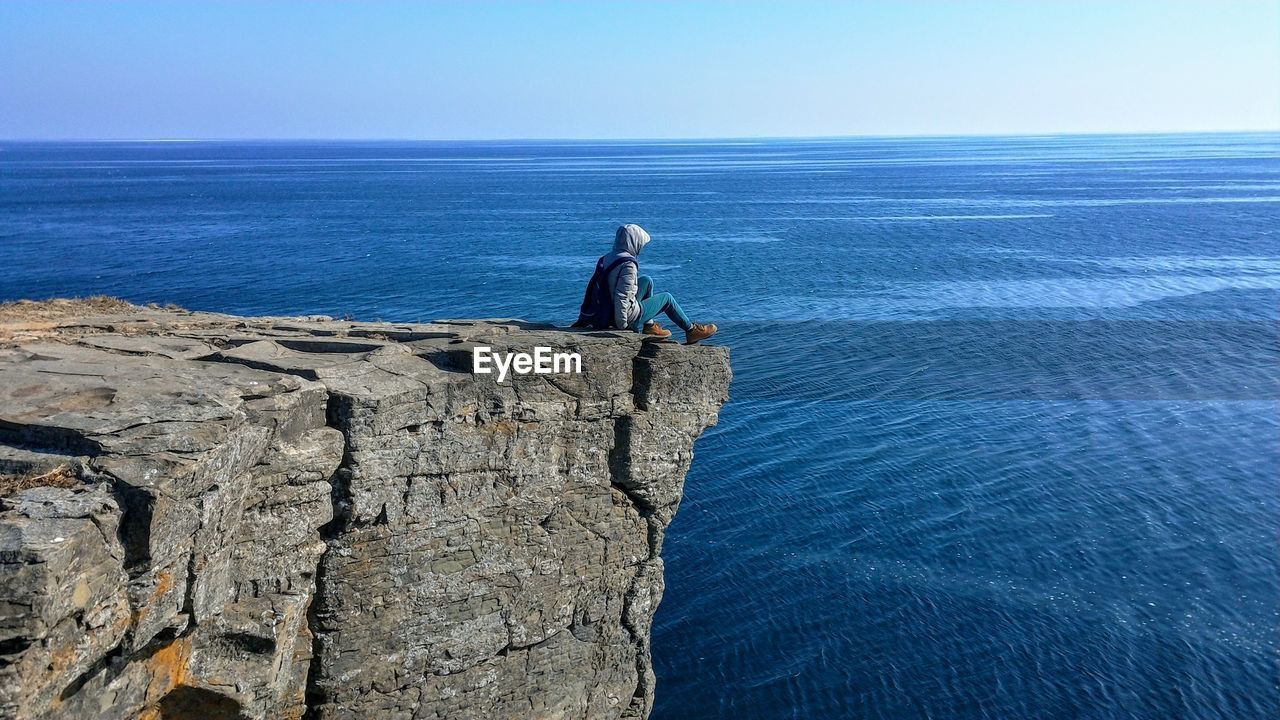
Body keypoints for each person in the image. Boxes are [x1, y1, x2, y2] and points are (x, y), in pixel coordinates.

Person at [574, 224, 718, 344]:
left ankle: (650, 326)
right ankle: (691, 330)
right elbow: (622, 295)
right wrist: (623, 324)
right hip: (622, 315)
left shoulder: (607, 258)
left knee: (646, 281)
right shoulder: (628, 264)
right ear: (633, 242)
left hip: (606, 311)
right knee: (667, 298)